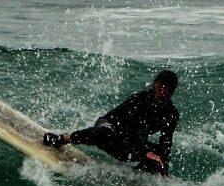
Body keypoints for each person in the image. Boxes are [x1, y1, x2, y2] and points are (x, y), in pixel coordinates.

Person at [43, 70, 179, 175]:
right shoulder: (139, 100)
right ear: (155, 84)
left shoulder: (171, 114)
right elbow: (129, 129)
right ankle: (62, 138)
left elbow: (166, 142)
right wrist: (145, 152)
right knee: (105, 132)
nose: (164, 92)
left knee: (158, 156)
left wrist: (163, 165)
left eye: (169, 89)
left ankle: (135, 177)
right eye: (162, 86)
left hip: (130, 144)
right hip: (111, 127)